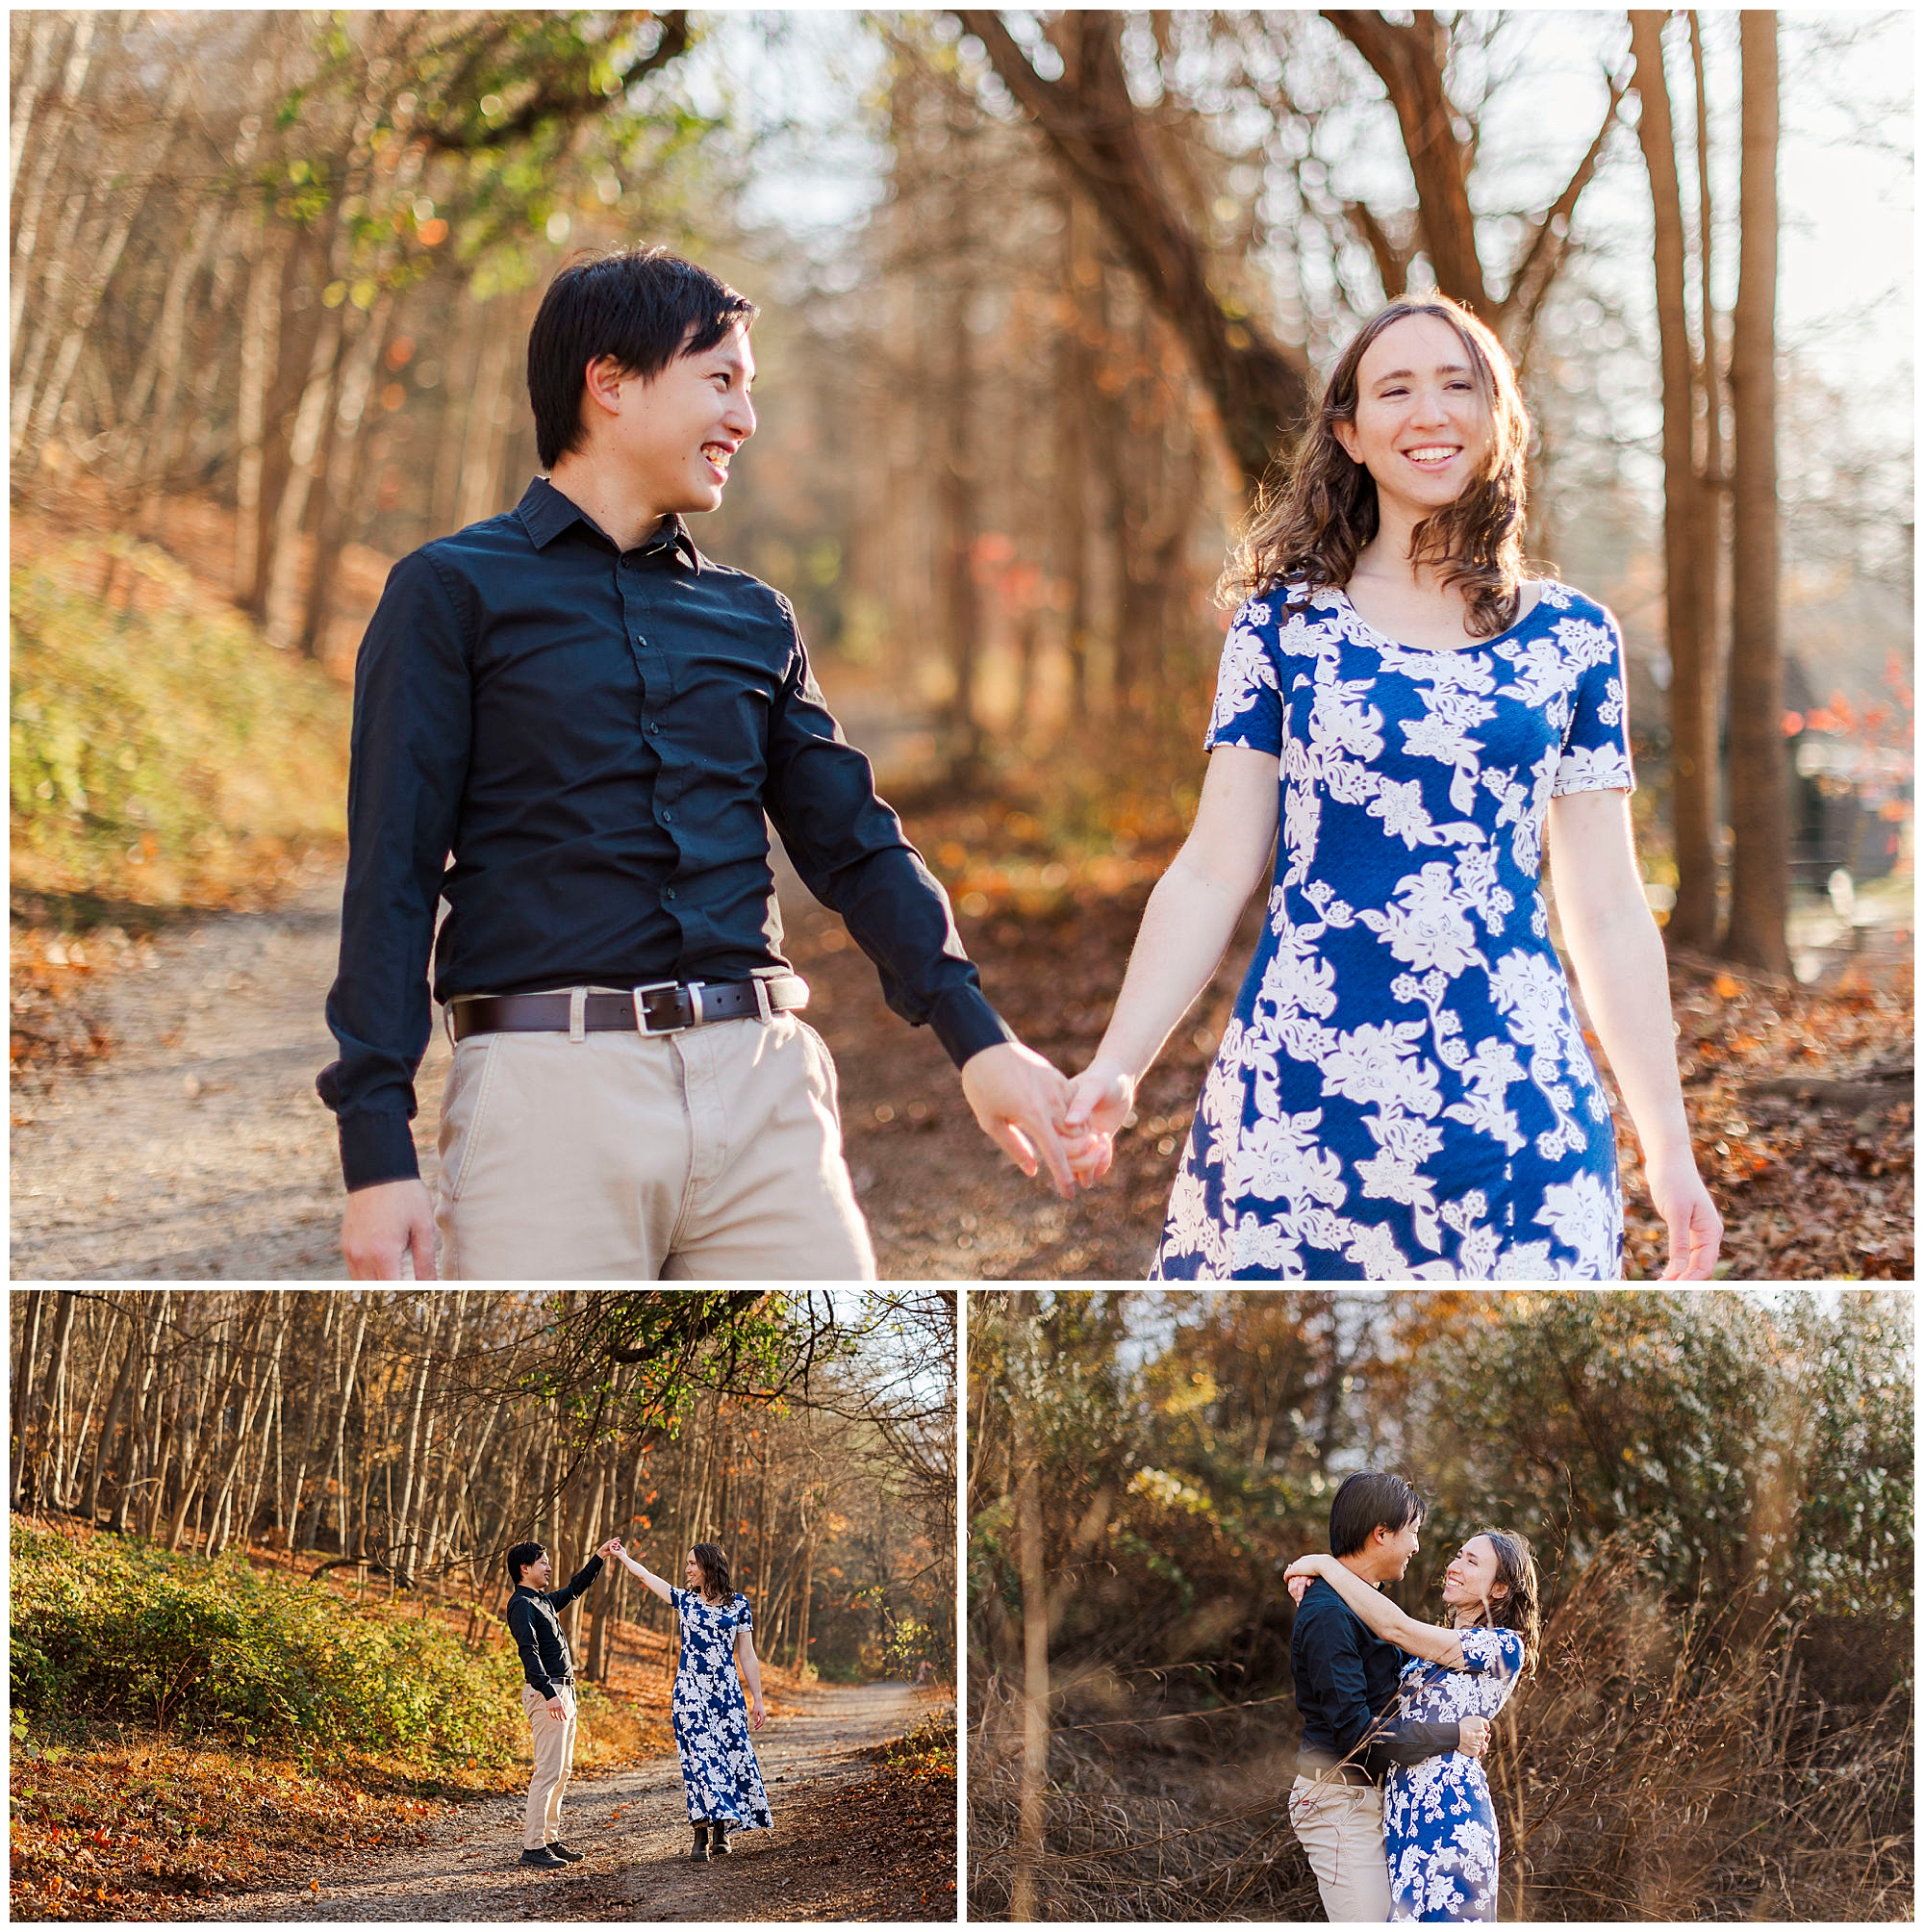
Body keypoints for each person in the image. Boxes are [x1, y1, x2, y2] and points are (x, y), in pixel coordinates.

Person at [319, 244, 1091, 1280]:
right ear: (610, 385)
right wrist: (376, 1148)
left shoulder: (751, 616)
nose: (745, 419)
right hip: (548, 1101)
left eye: (749, 389)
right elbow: (392, 877)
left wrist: (977, 1035)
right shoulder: (450, 594)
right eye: (720, 381)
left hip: (764, 1088)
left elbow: (854, 843)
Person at [1063, 293, 1722, 1281]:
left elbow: (1606, 905)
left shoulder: (1573, 639)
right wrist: (1117, 1061)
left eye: (1458, 384)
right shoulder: (1280, 629)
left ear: (1498, 417)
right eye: (1394, 389)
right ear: (1349, 433)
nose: (1429, 413)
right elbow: (1210, 869)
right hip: (1298, 1112)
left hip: (1512, 1117)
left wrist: (1666, 1144)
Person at [1287, 1523, 1539, 1921]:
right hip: (1401, 1814)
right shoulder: (1425, 1654)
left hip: (1450, 1813)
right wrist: (1319, 1594)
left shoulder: (1504, 1646)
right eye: (1458, 1555)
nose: (1455, 1566)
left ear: (1500, 1589)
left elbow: (1393, 1627)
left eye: (1472, 1562)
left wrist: (1324, 1565)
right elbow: (1360, 1651)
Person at [609, 1537, 771, 1863]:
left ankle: (722, 1831)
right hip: (690, 1693)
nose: (687, 1569)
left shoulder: (739, 1605)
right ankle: (700, 1831)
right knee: (697, 1760)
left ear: (709, 1567)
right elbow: (646, 1578)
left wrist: (758, 1698)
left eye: (692, 1564)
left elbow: (748, 1654)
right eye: (687, 1564)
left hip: (726, 1695)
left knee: (727, 1758)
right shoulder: (685, 1600)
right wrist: (624, 1558)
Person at [503, 1538, 618, 1870]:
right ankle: (533, 1846)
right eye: (543, 1562)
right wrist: (550, 1694)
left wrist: (599, 1557)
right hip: (547, 1693)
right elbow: (530, 1653)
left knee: (563, 1771)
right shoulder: (521, 1604)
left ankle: (549, 1839)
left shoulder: (541, 1601)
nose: (549, 1567)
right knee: (548, 1771)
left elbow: (574, 1589)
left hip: (563, 1691)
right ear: (525, 1568)